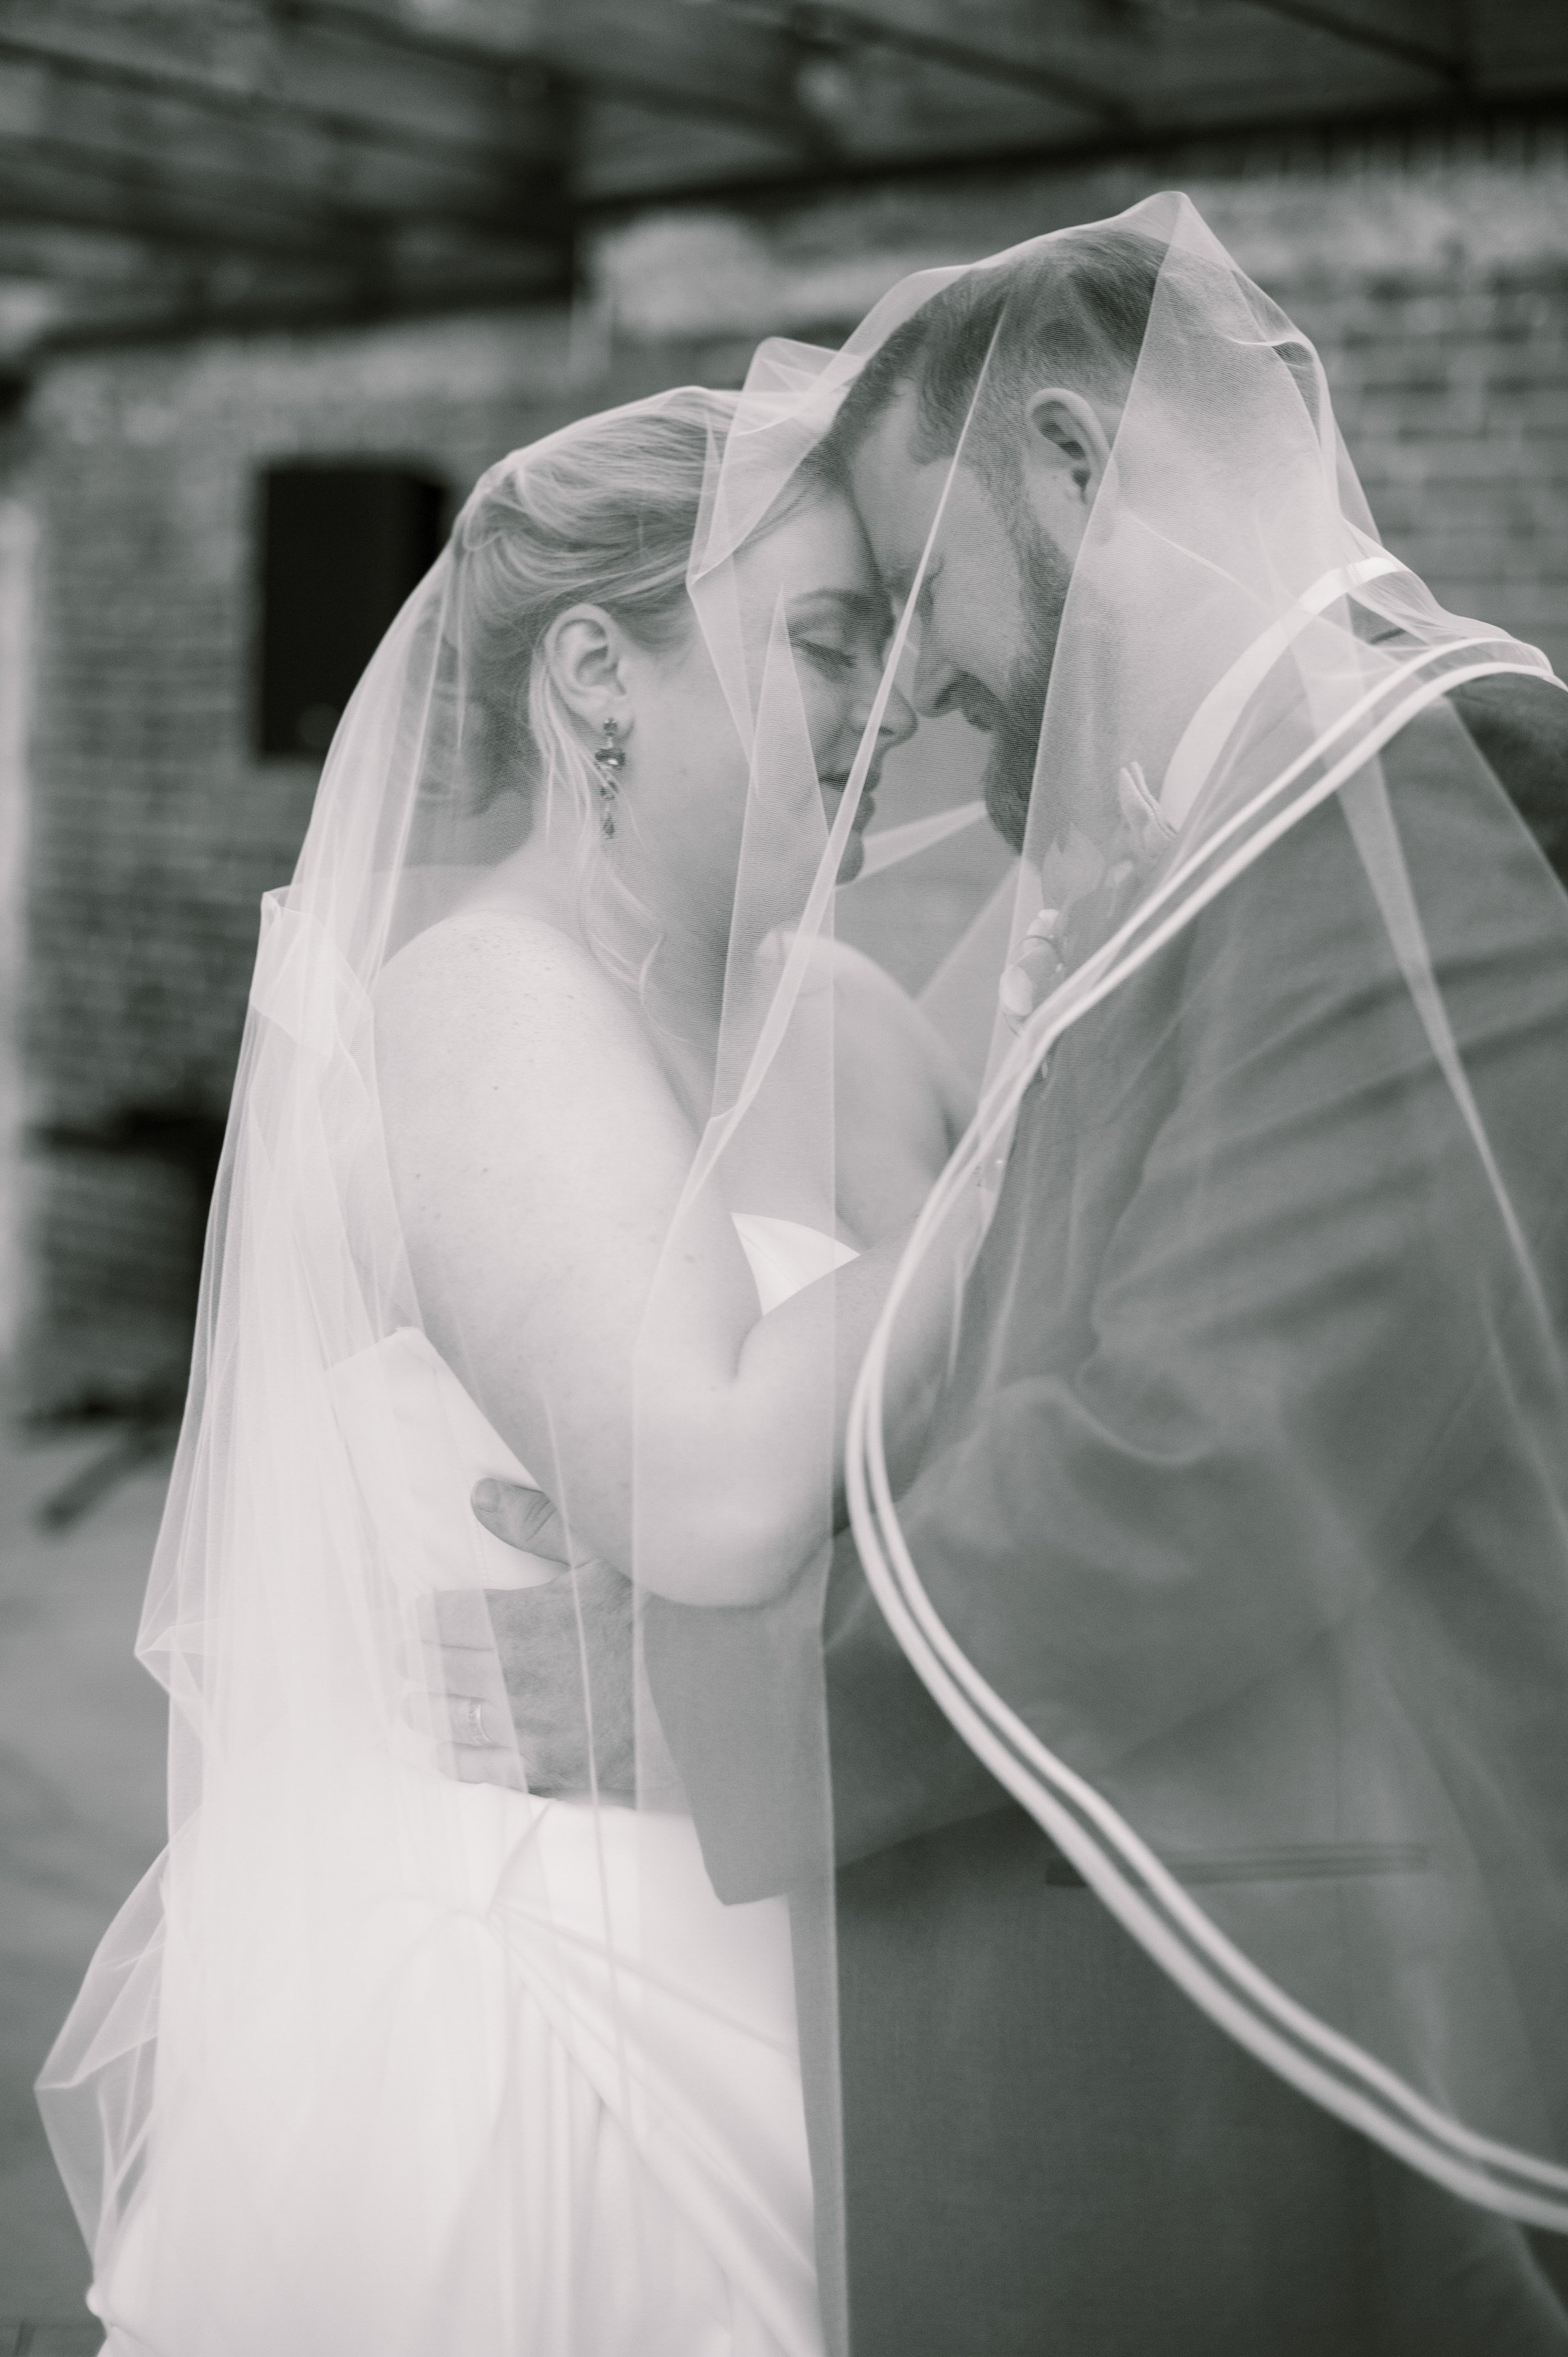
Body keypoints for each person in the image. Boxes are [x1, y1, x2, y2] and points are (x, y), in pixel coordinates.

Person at [466, 200, 1568, 2354]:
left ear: (1071, 460)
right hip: (1178, 1910)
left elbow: (1203, 1448)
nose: (923, 677)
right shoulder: (1275, 799)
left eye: (918, 586)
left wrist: (706, 1698)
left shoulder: (1431, 793)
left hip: (1307, 1983)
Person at [37, 388, 980, 2356]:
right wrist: (1028, 1159)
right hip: (568, 1978)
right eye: (824, 640)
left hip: (847, 1905)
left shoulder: (860, 1024)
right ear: (592, 680)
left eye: (896, 644)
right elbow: (707, 1491)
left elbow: (991, 1434)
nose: (891, 699)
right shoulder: (484, 1011)